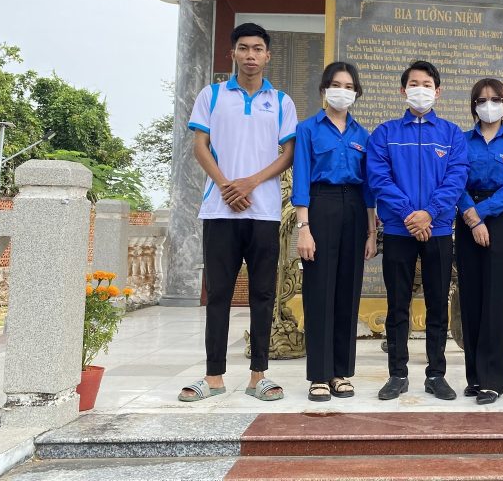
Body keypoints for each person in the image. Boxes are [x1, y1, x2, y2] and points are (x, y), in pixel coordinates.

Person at [179, 22, 297, 403]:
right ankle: (213, 377)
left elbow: (288, 154)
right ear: (232, 53)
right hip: (219, 211)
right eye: (243, 48)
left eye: (257, 49)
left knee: (263, 295)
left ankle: (258, 375)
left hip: (264, 213)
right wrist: (226, 186)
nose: (250, 55)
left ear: (267, 56)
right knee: (219, 295)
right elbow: (200, 146)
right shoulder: (212, 95)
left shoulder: (281, 101)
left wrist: (249, 184)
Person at [366, 60, 468, 401]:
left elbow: (456, 178)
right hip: (399, 230)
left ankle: (436, 374)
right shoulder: (385, 133)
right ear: (403, 90)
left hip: (437, 231)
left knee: (438, 305)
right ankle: (397, 374)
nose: (420, 90)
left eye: (427, 84)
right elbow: (379, 178)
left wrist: (429, 214)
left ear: (438, 92)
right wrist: (411, 214)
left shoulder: (451, 134)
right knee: (398, 305)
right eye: (414, 84)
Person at [292, 61, 378, 402]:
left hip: (354, 209)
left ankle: (340, 372)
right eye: (336, 85)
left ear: (356, 93)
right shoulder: (307, 129)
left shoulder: (363, 135)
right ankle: (318, 375)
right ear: (324, 89)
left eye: (349, 86)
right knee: (319, 292)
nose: (343, 91)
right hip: (320, 205)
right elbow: (301, 179)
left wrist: (371, 231)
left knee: (347, 292)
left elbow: (369, 188)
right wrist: (304, 228)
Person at [456, 78, 503, 405]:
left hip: (500, 218)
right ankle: (474, 376)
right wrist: (471, 216)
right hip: (466, 216)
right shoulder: (462, 140)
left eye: (495, 99)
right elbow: (455, 180)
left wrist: (482, 214)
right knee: (471, 298)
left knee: (497, 301)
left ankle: (493, 380)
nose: (489, 105)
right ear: (474, 105)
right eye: (482, 100)